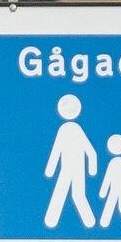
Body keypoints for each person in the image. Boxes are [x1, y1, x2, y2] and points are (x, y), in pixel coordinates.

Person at [42, 94, 98, 228]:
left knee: (67, 193)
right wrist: (92, 169)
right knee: (76, 194)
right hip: (74, 169)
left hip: (71, 169)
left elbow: (57, 151)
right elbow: (91, 152)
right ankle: (88, 221)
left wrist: (50, 170)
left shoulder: (71, 130)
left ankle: (88, 222)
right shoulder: (70, 130)